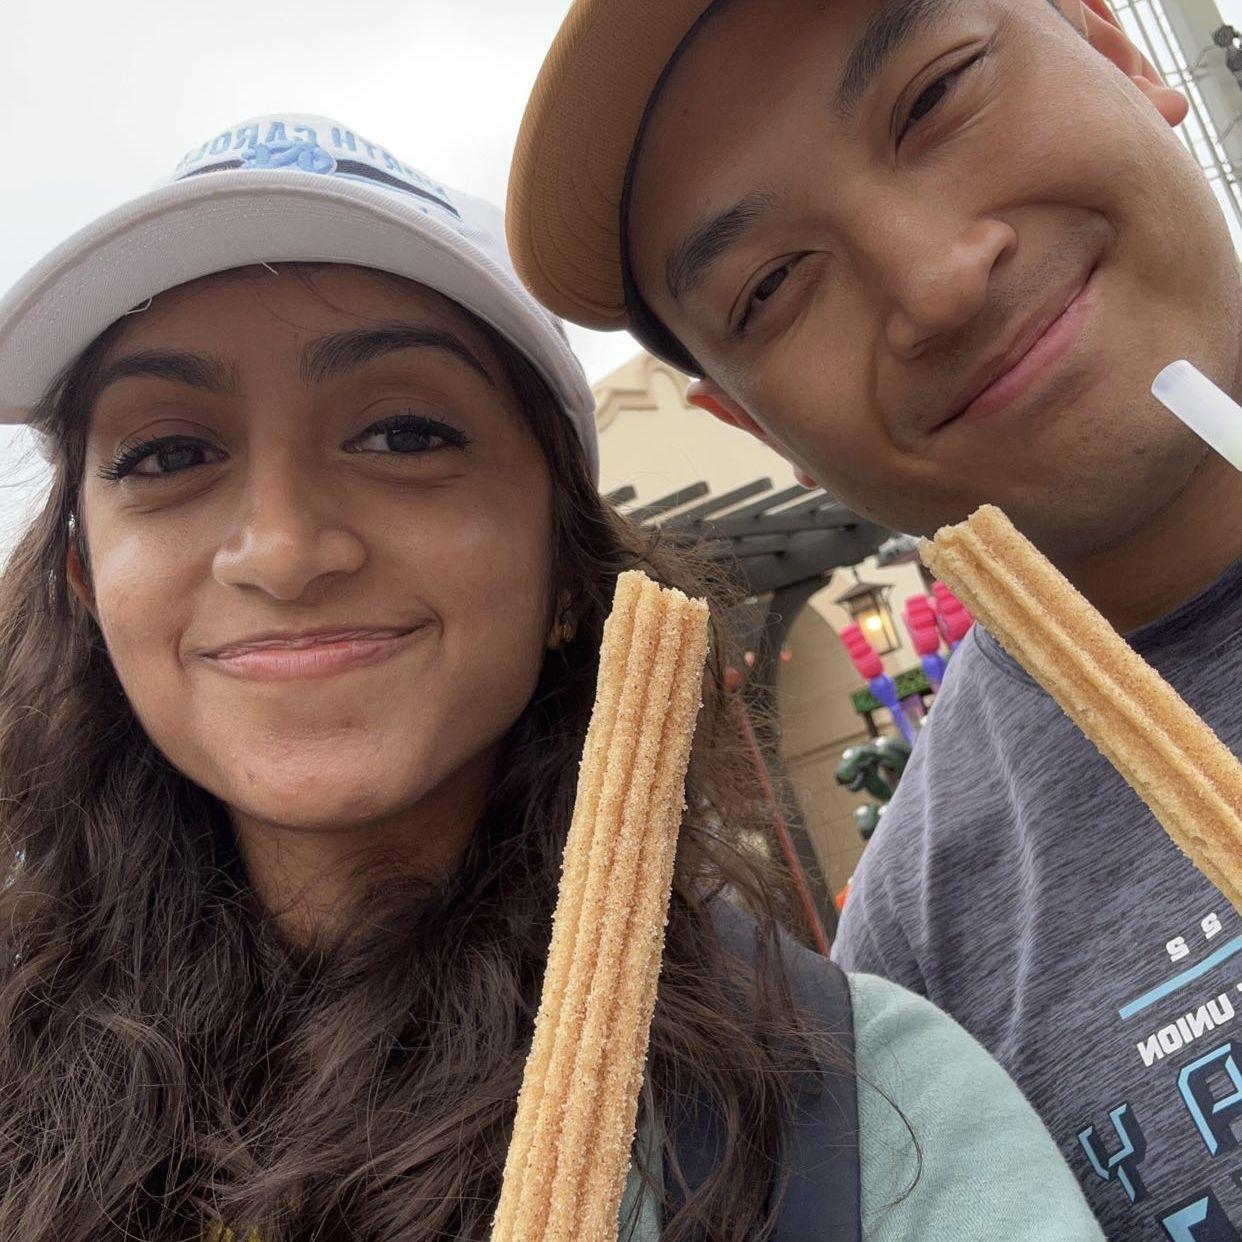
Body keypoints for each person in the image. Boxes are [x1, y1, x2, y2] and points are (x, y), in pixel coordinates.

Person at [0, 111, 1105, 1240]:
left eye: (403, 435)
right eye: (169, 454)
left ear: (566, 570)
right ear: (87, 580)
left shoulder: (875, 1124)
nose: (280, 552)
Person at [507, 1, 1242, 1237]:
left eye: (937, 96)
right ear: (754, 428)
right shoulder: (911, 979)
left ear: (1117, 50)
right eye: (772, 287)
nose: (938, 283)